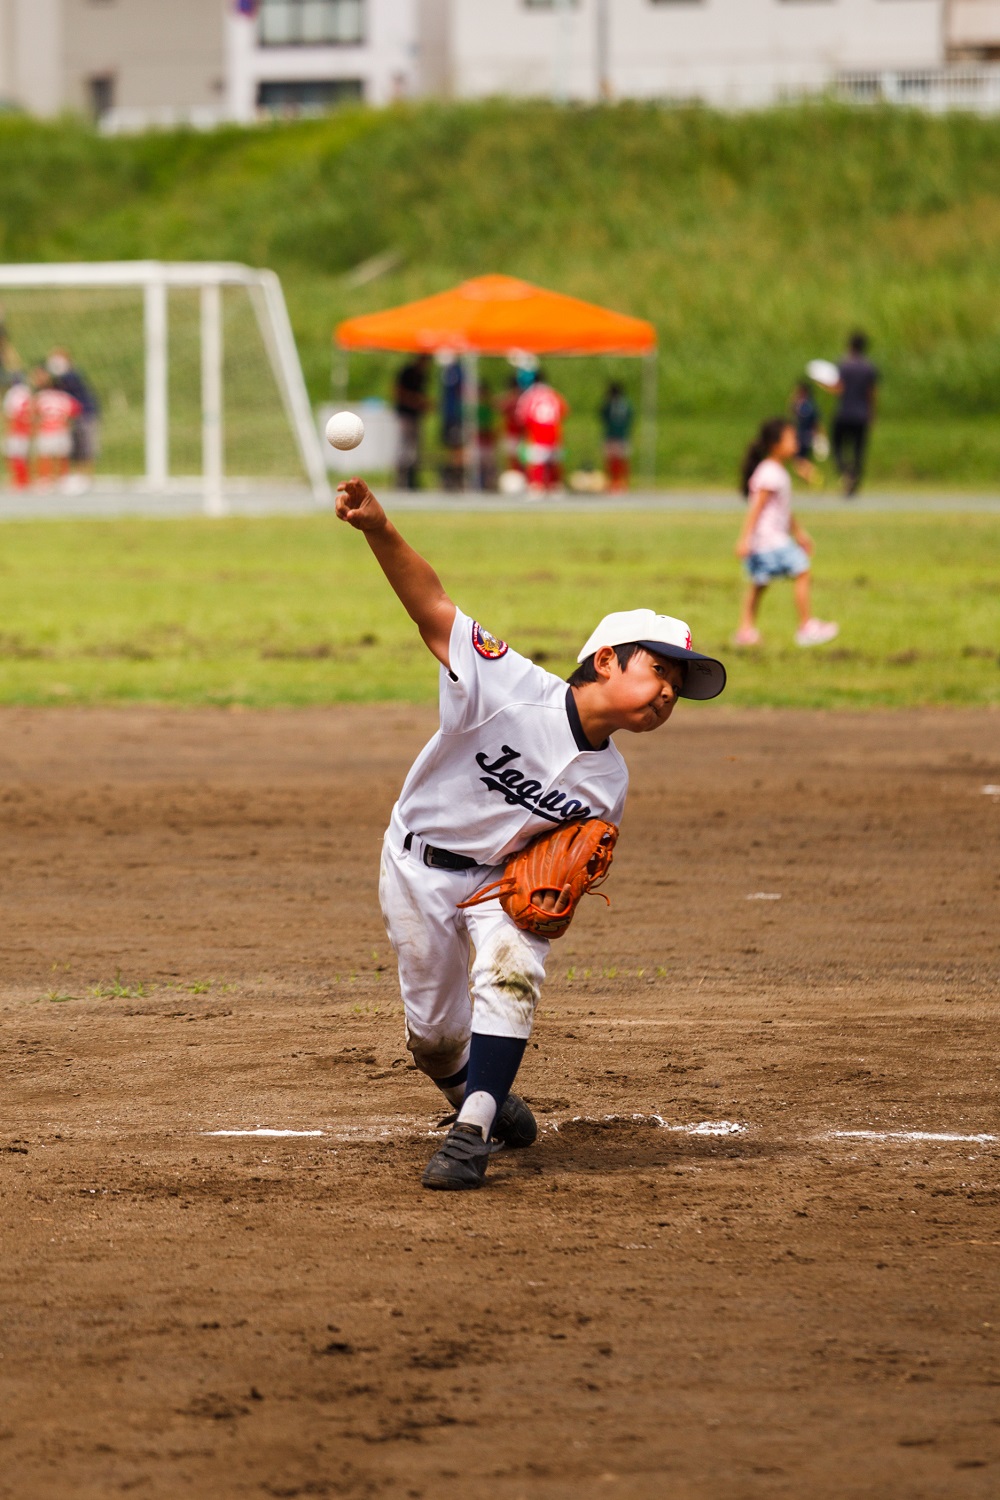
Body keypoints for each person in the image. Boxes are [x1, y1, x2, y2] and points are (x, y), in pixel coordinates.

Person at [334, 474, 727, 1191]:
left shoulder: (609, 785)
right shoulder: (507, 684)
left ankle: (472, 1131)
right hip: (416, 865)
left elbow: (559, 866)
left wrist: (537, 907)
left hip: (495, 883)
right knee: (431, 1038)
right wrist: (378, 529)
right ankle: (464, 1082)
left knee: (513, 971)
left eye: (680, 684)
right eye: (660, 669)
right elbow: (432, 606)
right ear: (605, 660)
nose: (669, 690)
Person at [733, 417, 838, 649]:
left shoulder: (776, 470)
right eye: (790, 438)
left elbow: (783, 510)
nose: (796, 442)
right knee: (802, 569)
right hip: (770, 540)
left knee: (759, 584)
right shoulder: (770, 472)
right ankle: (806, 626)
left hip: (765, 540)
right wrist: (744, 539)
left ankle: (745, 630)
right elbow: (756, 508)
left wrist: (799, 534)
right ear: (775, 444)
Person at [47, 348, 100, 492]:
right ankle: (77, 477)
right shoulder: (61, 378)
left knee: (86, 448)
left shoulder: (71, 376)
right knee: (74, 448)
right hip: (73, 417)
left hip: (85, 415)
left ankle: (86, 479)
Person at [832, 331, 878, 497]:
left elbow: (838, 388)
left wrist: (824, 386)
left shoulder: (844, 365)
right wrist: (872, 414)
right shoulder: (869, 367)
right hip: (861, 414)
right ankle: (854, 479)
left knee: (837, 446)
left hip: (844, 412)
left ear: (850, 345)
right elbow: (871, 393)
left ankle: (845, 471)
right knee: (859, 450)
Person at [515, 370, 569, 496]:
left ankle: (537, 487)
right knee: (553, 463)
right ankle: (555, 487)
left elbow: (522, 416)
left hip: (537, 434)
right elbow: (564, 410)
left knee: (536, 463)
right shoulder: (553, 394)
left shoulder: (529, 395)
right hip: (553, 433)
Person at [30, 366, 81, 489]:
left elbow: (34, 412)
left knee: (45, 455)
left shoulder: (40, 396)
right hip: (61, 429)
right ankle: (62, 479)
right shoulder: (65, 397)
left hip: (46, 430)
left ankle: (45, 479)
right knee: (62, 456)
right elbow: (75, 411)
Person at [393, 353, 431, 490]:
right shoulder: (408, 372)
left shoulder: (423, 375)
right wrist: (417, 401)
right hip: (405, 414)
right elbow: (399, 392)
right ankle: (401, 480)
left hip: (416, 416)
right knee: (404, 448)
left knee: (414, 449)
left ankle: (411, 479)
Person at [599, 380, 634, 492]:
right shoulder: (626, 404)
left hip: (612, 435)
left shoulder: (610, 404)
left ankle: (614, 482)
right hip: (622, 435)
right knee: (621, 461)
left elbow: (603, 415)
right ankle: (621, 483)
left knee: (612, 461)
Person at [3, 375, 33, 490]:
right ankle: (25, 479)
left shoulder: (12, 394)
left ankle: (19, 480)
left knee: (15, 455)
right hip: (26, 429)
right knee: (23, 456)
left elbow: (9, 413)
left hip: (15, 428)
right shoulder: (27, 392)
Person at [438, 357, 464, 491]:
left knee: (456, 448)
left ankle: (455, 477)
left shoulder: (456, 371)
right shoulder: (451, 371)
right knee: (454, 449)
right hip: (452, 416)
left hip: (454, 415)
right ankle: (453, 477)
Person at [790, 379, 822, 485]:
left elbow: (815, 422)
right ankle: (811, 479)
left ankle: (815, 476)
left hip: (803, 435)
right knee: (801, 459)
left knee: (798, 460)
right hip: (805, 435)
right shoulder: (810, 405)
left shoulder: (805, 406)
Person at [498, 373, 524, 475]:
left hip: (522, 434)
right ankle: (514, 475)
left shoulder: (521, 398)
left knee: (519, 458)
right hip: (513, 433)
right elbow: (499, 405)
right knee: (513, 458)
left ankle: (519, 475)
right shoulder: (511, 398)